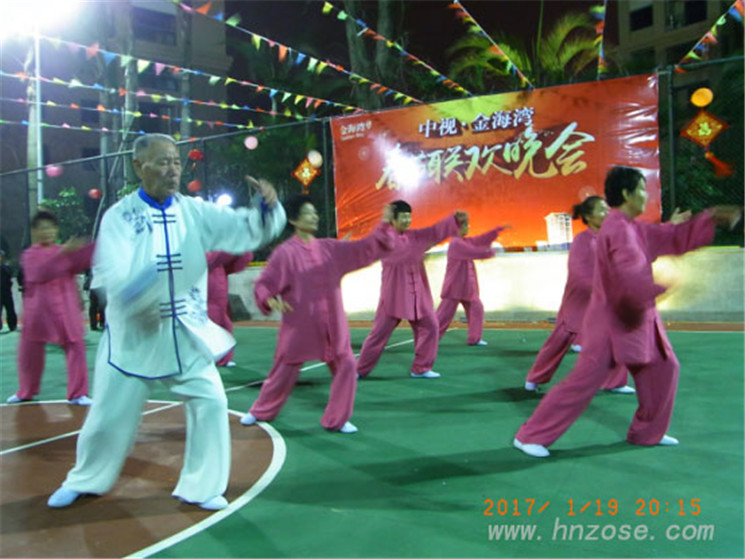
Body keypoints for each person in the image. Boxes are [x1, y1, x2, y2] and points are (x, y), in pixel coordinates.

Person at [47, 133, 286, 511]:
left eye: (176, 161)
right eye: (163, 162)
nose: (173, 169)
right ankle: (84, 479)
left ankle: (203, 486)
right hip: (134, 336)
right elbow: (114, 274)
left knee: (211, 401)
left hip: (185, 331)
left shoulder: (194, 211)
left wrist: (265, 210)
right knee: (108, 417)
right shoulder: (119, 217)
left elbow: (239, 228)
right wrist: (143, 291)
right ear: (138, 166)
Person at [513, 166, 742, 458]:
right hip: (613, 322)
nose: (646, 195)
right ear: (627, 193)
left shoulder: (630, 227)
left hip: (638, 318)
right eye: (642, 189)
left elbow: (664, 235)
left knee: (664, 368)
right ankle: (530, 436)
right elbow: (629, 273)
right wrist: (659, 287)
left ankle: (647, 432)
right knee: (583, 381)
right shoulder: (618, 229)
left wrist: (709, 218)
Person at [241, 195, 395, 433]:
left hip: (333, 325)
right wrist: (268, 298)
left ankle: (338, 419)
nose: (314, 217)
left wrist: (384, 226)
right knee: (284, 370)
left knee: (346, 366)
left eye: (314, 212)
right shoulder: (285, 254)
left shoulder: (329, 248)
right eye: (307, 213)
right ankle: (261, 411)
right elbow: (265, 283)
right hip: (301, 325)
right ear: (294, 220)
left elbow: (362, 249)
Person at [523, 196, 632, 394]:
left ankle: (615, 382)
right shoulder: (582, 240)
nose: (607, 213)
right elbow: (578, 273)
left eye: (607, 209)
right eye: (601, 210)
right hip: (579, 302)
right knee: (559, 342)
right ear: (589, 217)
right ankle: (535, 378)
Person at [356, 201, 467, 379]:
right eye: (403, 217)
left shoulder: (415, 236)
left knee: (431, 326)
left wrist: (453, 221)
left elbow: (434, 232)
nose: (407, 220)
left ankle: (421, 368)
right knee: (378, 335)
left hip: (418, 297)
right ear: (393, 219)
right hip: (393, 296)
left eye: (409, 216)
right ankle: (358, 370)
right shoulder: (385, 238)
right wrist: (384, 222)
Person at [6, 211, 93, 405]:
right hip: (38, 312)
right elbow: (41, 272)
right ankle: (26, 391)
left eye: (51, 228)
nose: (47, 232)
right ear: (34, 232)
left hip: (65, 309)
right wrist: (65, 253)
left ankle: (78, 393)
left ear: (56, 230)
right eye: (42, 228)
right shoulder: (30, 255)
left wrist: (88, 249)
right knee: (29, 352)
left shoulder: (64, 251)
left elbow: (80, 264)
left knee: (76, 346)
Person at [436, 219, 507, 346]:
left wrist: (496, 231)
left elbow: (479, 240)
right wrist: (493, 252)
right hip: (454, 287)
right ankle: (428, 339)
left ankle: (474, 338)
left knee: (477, 308)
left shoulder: (464, 241)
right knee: (443, 317)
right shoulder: (456, 243)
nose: (468, 227)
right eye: (465, 225)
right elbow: (474, 252)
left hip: (468, 287)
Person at [206, 251, 253, 367]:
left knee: (224, 325)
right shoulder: (199, 251)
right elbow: (211, 259)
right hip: (205, 296)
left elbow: (234, 265)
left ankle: (223, 359)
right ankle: (208, 358)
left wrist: (245, 251)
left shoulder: (218, 259)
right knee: (211, 326)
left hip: (218, 297)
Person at [0, 249, 18, 332]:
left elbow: (10, 275)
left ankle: (12, 325)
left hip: (6, 291)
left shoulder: (6, 267)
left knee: (10, 308)